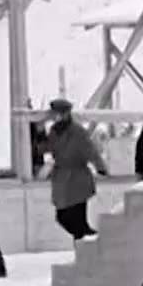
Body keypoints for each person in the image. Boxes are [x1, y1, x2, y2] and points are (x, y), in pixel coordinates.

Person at [44, 98, 107, 239]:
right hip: (61, 178)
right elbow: (48, 148)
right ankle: (88, 238)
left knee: (78, 220)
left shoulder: (77, 131)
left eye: (59, 113)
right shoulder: (53, 132)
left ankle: (87, 243)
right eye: (55, 113)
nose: (56, 116)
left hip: (77, 179)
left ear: (66, 113)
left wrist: (101, 167)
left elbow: (91, 151)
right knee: (63, 217)